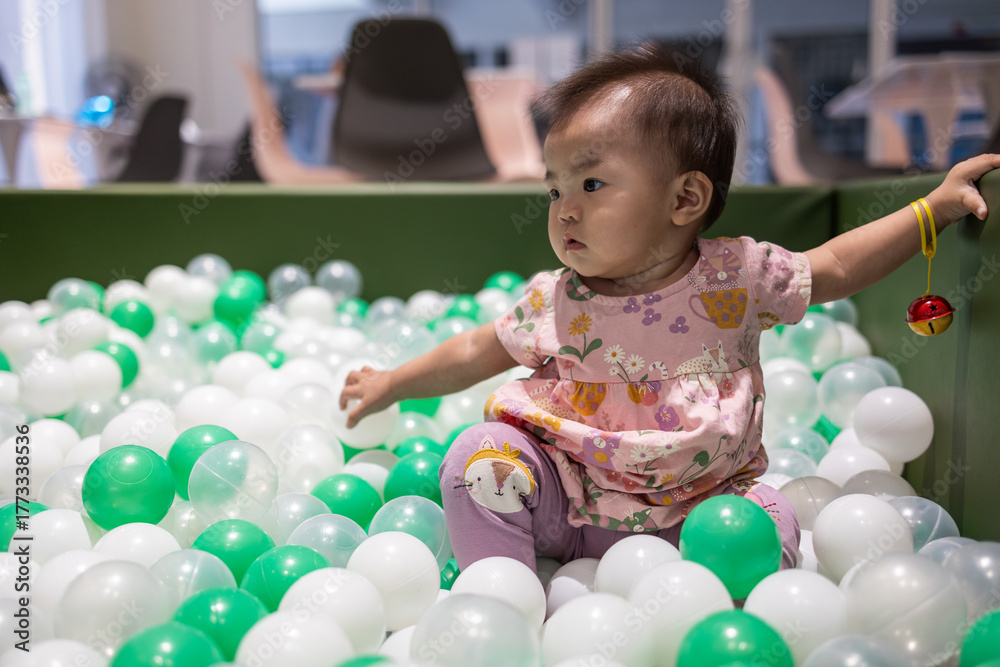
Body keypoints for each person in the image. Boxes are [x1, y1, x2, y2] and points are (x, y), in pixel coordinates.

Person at [339, 42, 999, 574]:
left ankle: (717, 612)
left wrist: (929, 211)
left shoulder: (736, 275)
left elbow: (835, 265)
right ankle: (505, 594)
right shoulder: (555, 297)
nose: (565, 208)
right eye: (555, 187)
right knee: (477, 458)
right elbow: (474, 349)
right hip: (568, 503)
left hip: (699, 516)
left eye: (593, 183)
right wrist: (394, 381)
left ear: (685, 199)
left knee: (772, 516)